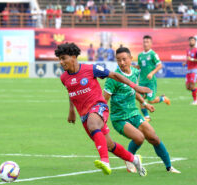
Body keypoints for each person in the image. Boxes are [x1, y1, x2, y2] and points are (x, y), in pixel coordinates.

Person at [55, 42, 150, 176]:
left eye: (64, 58)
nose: (61, 62)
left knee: (93, 125)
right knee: (109, 145)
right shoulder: (64, 77)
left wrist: (135, 87)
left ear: (74, 57)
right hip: (83, 114)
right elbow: (71, 91)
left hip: (99, 106)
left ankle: (105, 161)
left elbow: (115, 75)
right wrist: (71, 110)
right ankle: (134, 160)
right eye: (60, 59)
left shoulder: (91, 69)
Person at [103, 47, 181, 174]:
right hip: (119, 118)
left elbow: (133, 91)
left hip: (134, 113)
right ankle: (129, 158)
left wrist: (144, 103)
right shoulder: (113, 78)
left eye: (124, 59)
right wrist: (101, 118)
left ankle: (169, 167)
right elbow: (103, 100)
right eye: (118, 60)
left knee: (154, 138)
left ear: (130, 59)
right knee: (139, 138)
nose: (122, 63)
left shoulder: (134, 72)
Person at [136, 35, 170, 122]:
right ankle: (147, 117)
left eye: (147, 42)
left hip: (150, 82)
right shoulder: (140, 55)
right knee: (141, 98)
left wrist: (151, 73)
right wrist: (131, 67)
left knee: (151, 101)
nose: (145, 44)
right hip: (142, 82)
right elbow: (139, 66)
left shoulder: (153, 54)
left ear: (151, 43)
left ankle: (163, 98)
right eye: (144, 42)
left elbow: (160, 65)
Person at [182, 36, 197, 105]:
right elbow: (188, 58)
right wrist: (185, 62)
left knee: (192, 86)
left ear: (195, 42)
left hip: (195, 69)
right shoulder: (188, 50)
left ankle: (195, 101)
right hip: (188, 70)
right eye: (190, 40)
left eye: (192, 40)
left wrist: (192, 59)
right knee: (188, 87)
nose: (191, 41)